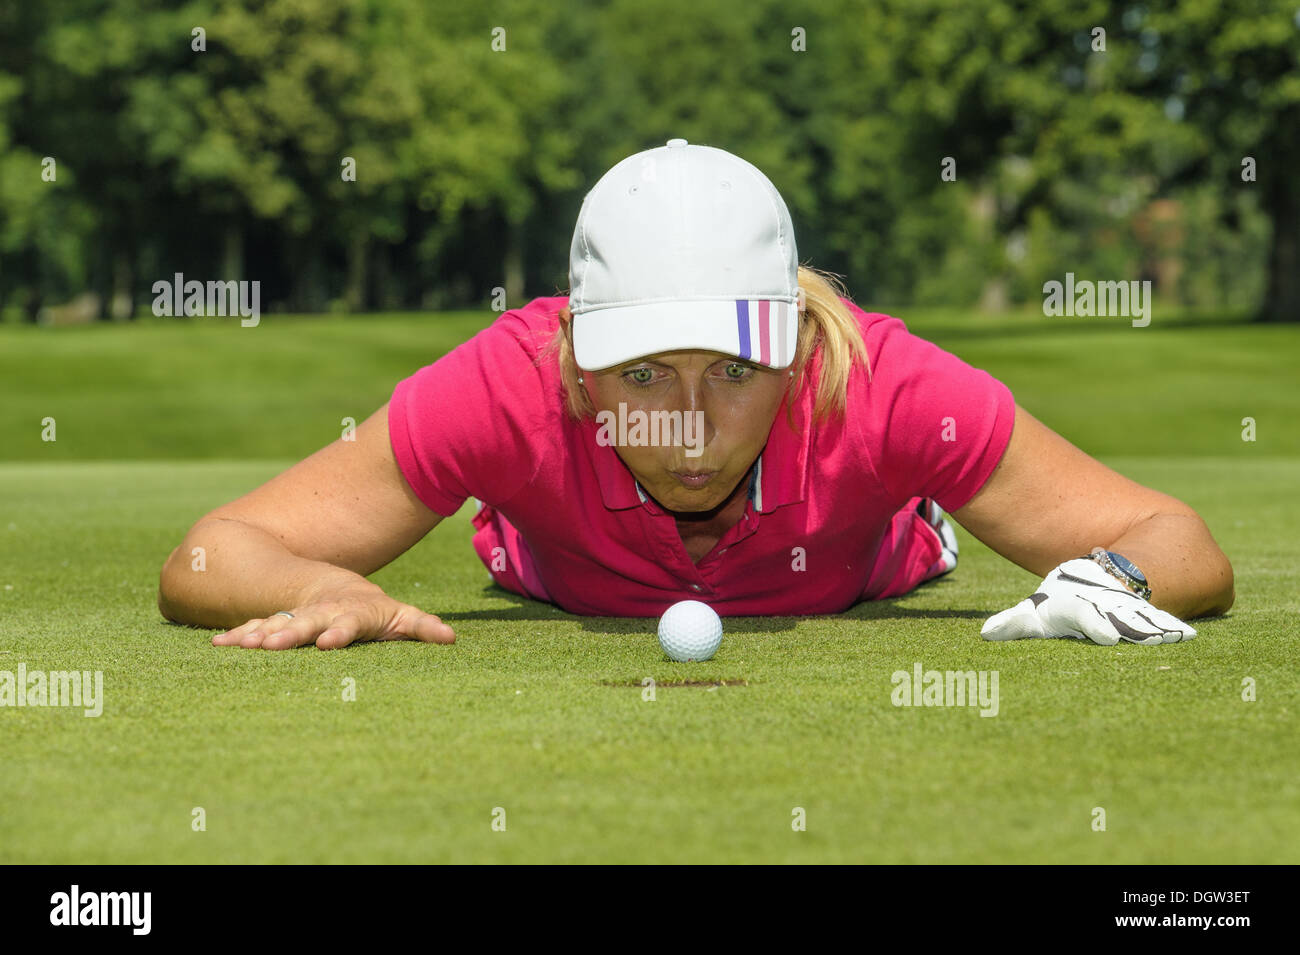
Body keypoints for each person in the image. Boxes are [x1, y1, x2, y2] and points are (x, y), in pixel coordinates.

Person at [157, 138, 1234, 650]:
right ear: (577, 359)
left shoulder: (881, 385)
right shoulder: (507, 385)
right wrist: (319, 585)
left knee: (923, 531)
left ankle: (920, 525)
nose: (686, 424)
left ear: (798, 338)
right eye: (640, 374)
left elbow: (1182, 541)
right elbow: (207, 554)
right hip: (543, 567)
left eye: (731, 370)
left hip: (866, 565)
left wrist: (1115, 578)